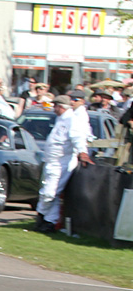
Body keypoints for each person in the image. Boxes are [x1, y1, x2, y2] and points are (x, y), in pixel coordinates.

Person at [35, 95, 92, 233]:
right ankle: (49, 222)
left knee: (49, 193)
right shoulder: (61, 119)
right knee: (52, 194)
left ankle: (41, 216)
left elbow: (78, 138)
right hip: (53, 162)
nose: (53, 109)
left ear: (60, 106)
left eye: (55, 106)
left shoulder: (72, 121)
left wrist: (82, 152)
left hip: (61, 163)